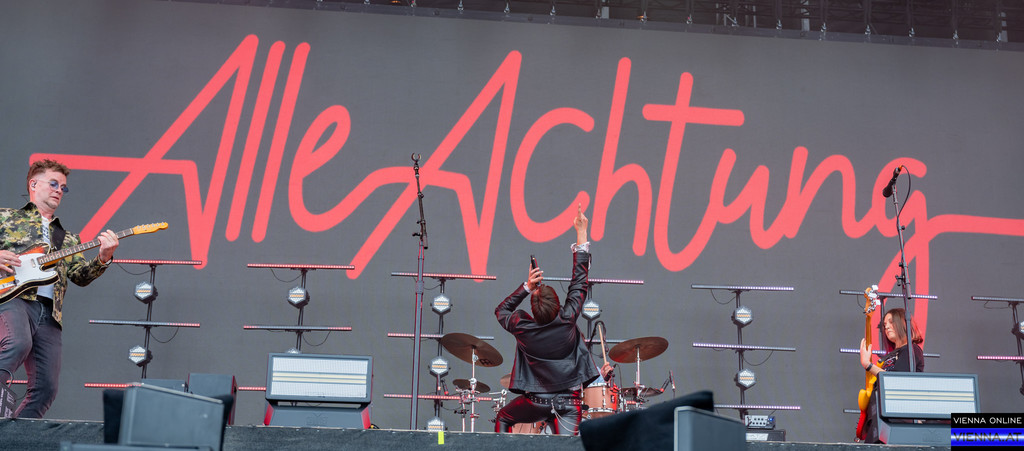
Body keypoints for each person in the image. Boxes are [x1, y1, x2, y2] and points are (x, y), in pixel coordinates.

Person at [0, 159, 119, 418]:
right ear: (34, 184)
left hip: (50, 314)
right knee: (18, 343)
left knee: (46, 389)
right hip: (13, 298)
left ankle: (14, 437)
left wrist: (103, 258)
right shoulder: (5, 217)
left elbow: (80, 276)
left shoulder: (68, 238)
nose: (59, 190)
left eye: (63, 187)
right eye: (53, 184)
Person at [494, 204, 599, 435]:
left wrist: (526, 287)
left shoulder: (523, 328)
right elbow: (580, 281)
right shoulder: (568, 318)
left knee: (503, 417)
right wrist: (582, 233)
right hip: (569, 403)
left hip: (536, 402)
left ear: (533, 310)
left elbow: (502, 311)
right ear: (558, 304)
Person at [857, 307, 924, 442]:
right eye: (884, 324)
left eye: (891, 322)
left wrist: (868, 365)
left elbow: (895, 380)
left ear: (903, 323)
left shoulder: (911, 350)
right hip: (880, 418)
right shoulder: (891, 355)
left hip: (897, 420)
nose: (886, 326)